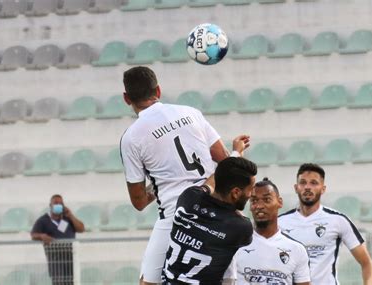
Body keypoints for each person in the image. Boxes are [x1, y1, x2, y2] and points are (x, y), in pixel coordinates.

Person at [120, 66, 235, 285]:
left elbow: (138, 202)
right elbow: (224, 158)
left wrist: (158, 184)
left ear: (127, 98)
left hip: (176, 216)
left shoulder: (131, 138)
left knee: (149, 283)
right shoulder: (190, 112)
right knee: (226, 280)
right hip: (215, 209)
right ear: (159, 90)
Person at [163, 156, 258, 285]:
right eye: (251, 189)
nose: (252, 194)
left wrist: (235, 155)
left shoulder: (188, 197)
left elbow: (209, 184)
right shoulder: (240, 227)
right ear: (235, 192)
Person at [278, 163, 372, 285]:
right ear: (296, 187)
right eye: (303, 182)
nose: (307, 187)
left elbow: (366, 263)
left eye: (314, 183)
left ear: (323, 189)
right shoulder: (280, 222)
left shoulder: (338, 220)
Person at [235, 178, 311, 285]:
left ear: (279, 202)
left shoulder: (297, 250)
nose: (259, 206)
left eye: (267, 200)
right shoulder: (235, 246)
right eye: (254, 201)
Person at [31, 194, 85, 285]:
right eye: (56, 203)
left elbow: (81, 229)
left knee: (72, 281)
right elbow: (33, 235)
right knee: (58, 282)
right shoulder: (43, 220)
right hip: (55, 258)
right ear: (50, 205)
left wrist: (71, 215)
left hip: (71, 256)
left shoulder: (68, 218)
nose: (58, 205)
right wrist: (42, 236)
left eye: (60, 203)